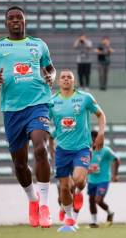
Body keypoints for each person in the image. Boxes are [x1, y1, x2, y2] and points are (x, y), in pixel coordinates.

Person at [0, 6, 57, 228]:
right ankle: (33, 199)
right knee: (20, 164)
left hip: (39, 103)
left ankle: (44, 206)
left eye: (19, 18)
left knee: (41, 148)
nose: (15, 21)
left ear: (24, 21)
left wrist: (51, 77)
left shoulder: (38, 44)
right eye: (11, 18)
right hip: (12, 110)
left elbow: (51, 69)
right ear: (6, 23)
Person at [49, 70, 106, 230]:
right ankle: (68, 219)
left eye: (69, 77)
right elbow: (44, 124)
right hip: (62, 150)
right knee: (65, 187)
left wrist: (101, 134)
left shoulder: (84, 98)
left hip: (82, 148)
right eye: (63, 77)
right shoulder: (52, 102)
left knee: (79, 179)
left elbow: (101, 115)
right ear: (58, 82)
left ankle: (79, 190)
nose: (66, 79)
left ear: (74, 81)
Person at [88, 130, 120, 228]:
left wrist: (115, 174)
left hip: (103, 180)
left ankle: (110, 213)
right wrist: (87, 170)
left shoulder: (106, 150)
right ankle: (94, 222)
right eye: (91, 139)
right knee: (91, 200)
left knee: (98, 200)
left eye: (94, 139)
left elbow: (117, 160)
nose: (93, 141)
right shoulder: (87, 151)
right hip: (91, 180)